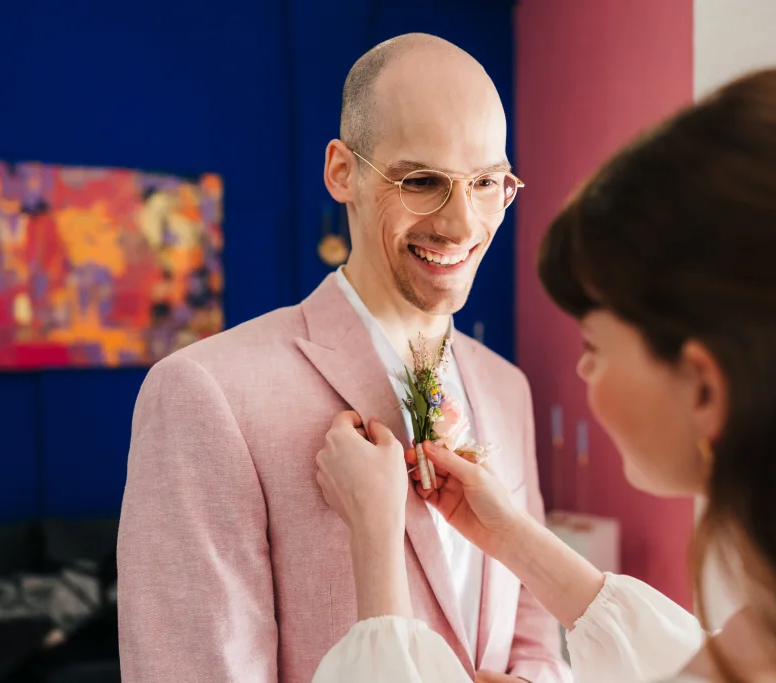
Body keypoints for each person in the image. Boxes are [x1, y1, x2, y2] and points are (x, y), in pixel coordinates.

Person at [312, 64, 776, 683]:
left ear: (702, 386)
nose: (580, 367)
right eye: (423, 180)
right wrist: (513, 536)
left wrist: (376, 552)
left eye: (596, 344)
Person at [117, 33, 569, 683]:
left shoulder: (507, 388)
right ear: (341, 172)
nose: (463, 223)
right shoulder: (205, 391)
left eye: (487, 182)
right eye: (422, 180)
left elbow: (535, 634)